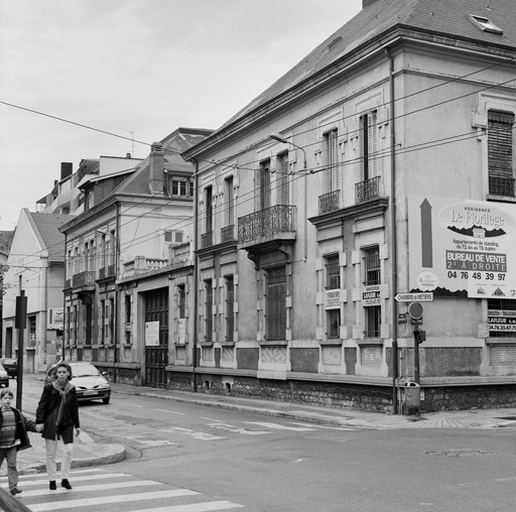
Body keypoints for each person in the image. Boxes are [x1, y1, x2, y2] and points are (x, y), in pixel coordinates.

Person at [36, 361, 80, 490]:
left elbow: (74, 408)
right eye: (59, 372)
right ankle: (52, 480)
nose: (61, 375)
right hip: (51, 423)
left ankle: (65, 478)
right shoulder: (49, 388)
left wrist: (77, 425)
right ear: (56, 374)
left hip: (66, 423)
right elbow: (42, 404)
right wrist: (39, 421)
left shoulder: (71, 389)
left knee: (68, 450)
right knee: (51, 453)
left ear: (68, 374)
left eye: (64, 372)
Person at [0, 388, 40, 496]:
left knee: (12, 465)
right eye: (5, 398)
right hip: (1, 446)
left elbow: (25, 423)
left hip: (12, 444)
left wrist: (35, 427)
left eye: (10, 398)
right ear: (1, 400)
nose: (7, 400)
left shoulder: (16, 412)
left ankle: (13, 487)